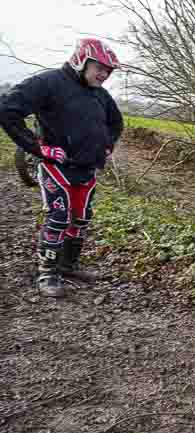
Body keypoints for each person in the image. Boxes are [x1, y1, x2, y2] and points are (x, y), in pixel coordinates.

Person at [0, 38, 123, 297]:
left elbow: (116, 122)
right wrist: (37, 147)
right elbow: (7, 109)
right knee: (58, 218)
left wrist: (107, 145)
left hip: (88, 168)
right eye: (99, 68)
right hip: (57, 166)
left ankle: (68, 266)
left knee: (81, 219)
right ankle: (48, 272)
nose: (104, 74)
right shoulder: (48, 83)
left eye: (108, 71)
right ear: (81, 60)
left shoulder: (100, 94)